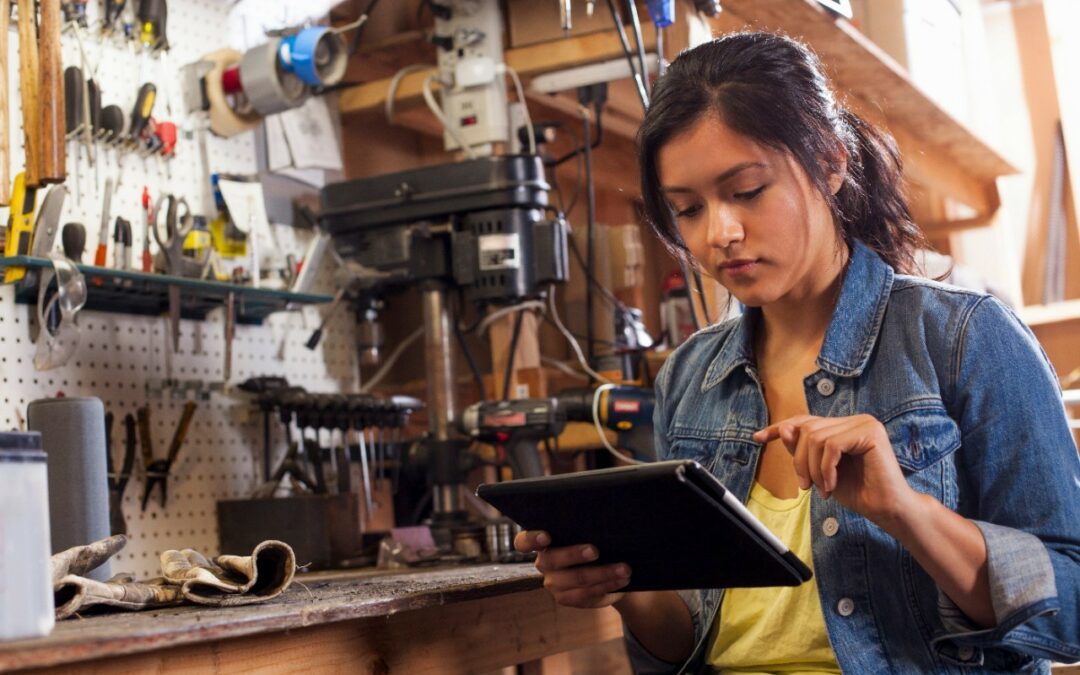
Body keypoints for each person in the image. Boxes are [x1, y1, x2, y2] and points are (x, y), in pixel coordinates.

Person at [515, 31, 1080, 674]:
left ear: (831, 163)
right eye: (688, 209)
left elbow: (1073, 603)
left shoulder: (964, 338)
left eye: (747, 190)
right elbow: (694, 645)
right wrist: (622, 588)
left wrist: (907, 513)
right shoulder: (690, 378)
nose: (719, 233)